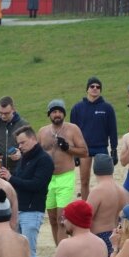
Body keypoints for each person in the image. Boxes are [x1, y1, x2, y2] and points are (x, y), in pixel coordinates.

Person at [0, 126, 54, 257]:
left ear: (33, 139)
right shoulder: (26, 159)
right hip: (20, 210)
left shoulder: (44, 160)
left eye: (22, 142)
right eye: (18, 143)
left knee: (29, 253)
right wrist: (11, 177)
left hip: (33, 211)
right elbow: (21, 180)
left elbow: (37, 185)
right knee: (22, 253)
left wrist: (11, 178)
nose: (20, 146)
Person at [38, 98, 88, 245]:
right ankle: (60, 249)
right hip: (47, 179)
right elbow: (35, 153)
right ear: (49, 114)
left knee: (61, 219)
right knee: (53, 219)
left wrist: (68, 148)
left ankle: (64, 252)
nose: (57, 114)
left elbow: (85, 151)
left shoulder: (73, 129)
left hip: (65, 177)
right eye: (54, 112)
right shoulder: (42, 132)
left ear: (64, 114)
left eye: (60, 111)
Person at [70, 77, 118, 199]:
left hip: (101, 148)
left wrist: (114, 149)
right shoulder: (77, 108)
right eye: (92, 86)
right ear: (87, 89)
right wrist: (74, 154)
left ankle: (105, 206)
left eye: (98, 87)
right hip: (83, 149)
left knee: (104, 181)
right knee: (84, 180)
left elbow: (113, 130)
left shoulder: (107, 108)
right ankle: (86, 208)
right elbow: (72, 132)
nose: (95, 88)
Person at [0, 96, 29, 171]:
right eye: (0, 113)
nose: (3, 116)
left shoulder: (24, 126)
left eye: (6, 113)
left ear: (13, 109)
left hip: (18, 173)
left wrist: (21, 155)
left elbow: (32, 148)